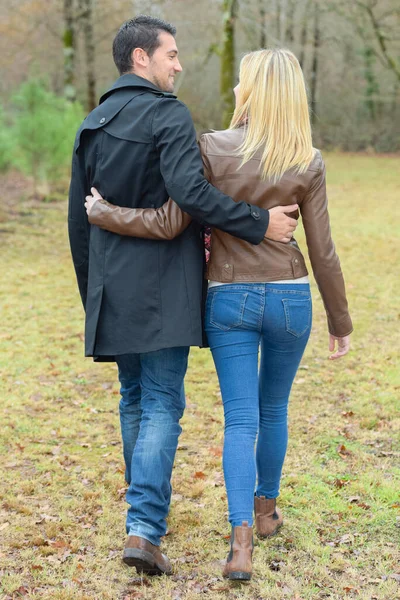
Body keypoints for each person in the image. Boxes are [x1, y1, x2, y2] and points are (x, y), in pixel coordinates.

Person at [84, 48, 353, 581]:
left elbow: (168, 222)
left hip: (229, 296)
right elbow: (323, 250)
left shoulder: (212, 147)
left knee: (242, 419)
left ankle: (241, 547)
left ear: (253, 90)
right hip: (291, 298)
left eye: (241, 82)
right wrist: (339, 320)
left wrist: (103, 212)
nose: (233, 91)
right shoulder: (309, 159)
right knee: (273, 410)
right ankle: (266, 510)